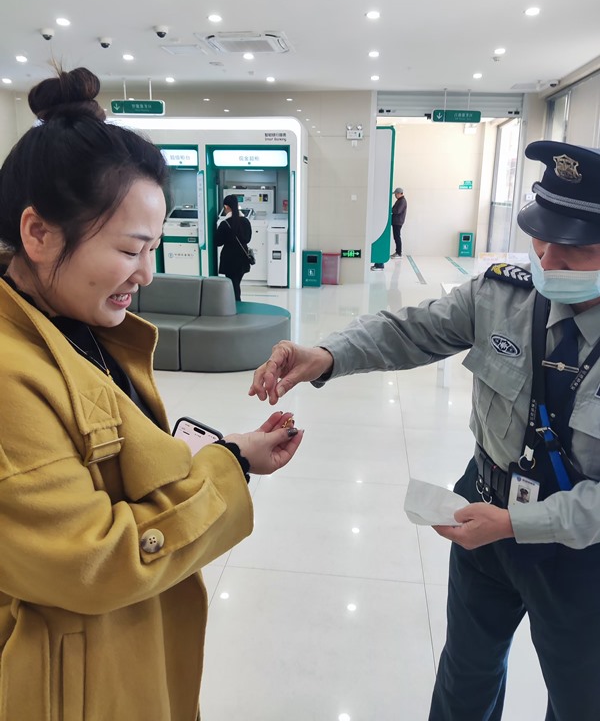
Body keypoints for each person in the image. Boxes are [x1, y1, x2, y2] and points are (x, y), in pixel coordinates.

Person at [249, 139, 600, 721]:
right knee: (466, 676)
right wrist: (327, 355)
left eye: (576, 249)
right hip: (483, 512)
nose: (549, 259)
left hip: (578, 550)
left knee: (580, 697)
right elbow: (410, 331)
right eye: (542, 238)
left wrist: (519, 524)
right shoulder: (503, 293)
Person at [0, 67, 303, 721]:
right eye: (130, 249)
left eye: (154, 248)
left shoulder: (78, 325)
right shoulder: (9, 377)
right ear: (38, 233)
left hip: (116, 655)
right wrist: (227, 468)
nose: (145, 273)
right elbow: (94, 558)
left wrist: (226, 451)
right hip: (67, 685)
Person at [215, 193, 253, 300]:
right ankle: (236, 302)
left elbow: (218, 242)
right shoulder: (246, 221)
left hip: (229, 260)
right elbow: (248, 239)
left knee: (233, 285)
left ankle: (236, 303)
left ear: (226, 207)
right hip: (242, 259)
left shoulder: (225, 224)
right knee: (236, 283)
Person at [390, 187, 407, 258]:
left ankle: (399, 253)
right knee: (396, 237)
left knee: (397, 237)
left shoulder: (402, 201)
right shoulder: (399, 200)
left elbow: (397, 211)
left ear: (400, 193)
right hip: (396, 221)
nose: (395, 195)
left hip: (398, 222)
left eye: (396, 194)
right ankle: (397, 252)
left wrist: (390, 210)